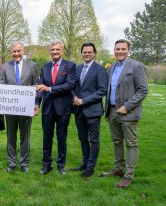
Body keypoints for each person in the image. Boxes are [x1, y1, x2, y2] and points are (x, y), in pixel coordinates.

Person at [101, 39, 148, 188]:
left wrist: (127, 106)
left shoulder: (136, 66)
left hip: (128, 113)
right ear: (114, 50)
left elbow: (143, 90)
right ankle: (118, 169)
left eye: (123, 49)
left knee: (131, 144)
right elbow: (109, 90)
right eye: (117, 49)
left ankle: (128, 175)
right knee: (116, 142)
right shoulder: (112, 67)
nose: (120, 52)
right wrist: (108, 110)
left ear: (128, 50)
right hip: (113, 111)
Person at [36, 40, 76, 175]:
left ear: (62, 51)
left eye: (57, 49)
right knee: (47, 137)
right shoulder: (45, 67)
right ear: (49, 51)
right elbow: (41, 88)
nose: (55, 52)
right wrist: (36, 104)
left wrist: (50, 89)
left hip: (63, 108)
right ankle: (46, 165)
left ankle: (60, 165)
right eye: (52, 50)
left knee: (61, 137)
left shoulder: (70, 66)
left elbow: (70, 85)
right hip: (47, 108)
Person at [0, 41, 39, 173]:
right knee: (11, 137)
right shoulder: (5, 67)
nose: (16, 54)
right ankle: (11, 162)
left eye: (18, 51)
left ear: (23, 51)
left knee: (25, 137)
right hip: (10, 109)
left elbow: (36, 85)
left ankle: (24, 163)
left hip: (25, 108)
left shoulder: (32, 66)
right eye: (14, 51)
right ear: (11, 52)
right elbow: (1, 86)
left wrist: (34, 103)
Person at [70, 42, 108, 177]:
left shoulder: (100, 69)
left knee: (94, 140)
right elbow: (73, 86)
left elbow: (102, 90)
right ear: (81, 53)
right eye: (84, 52)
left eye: (89, 52)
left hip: (93, 110)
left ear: (94, 53)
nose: (86, 54)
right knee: (83, 139)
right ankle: (84, 164)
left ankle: (90, 169)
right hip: (79, 111)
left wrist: (84, 100)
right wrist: (74, 96)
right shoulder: (77, 69)